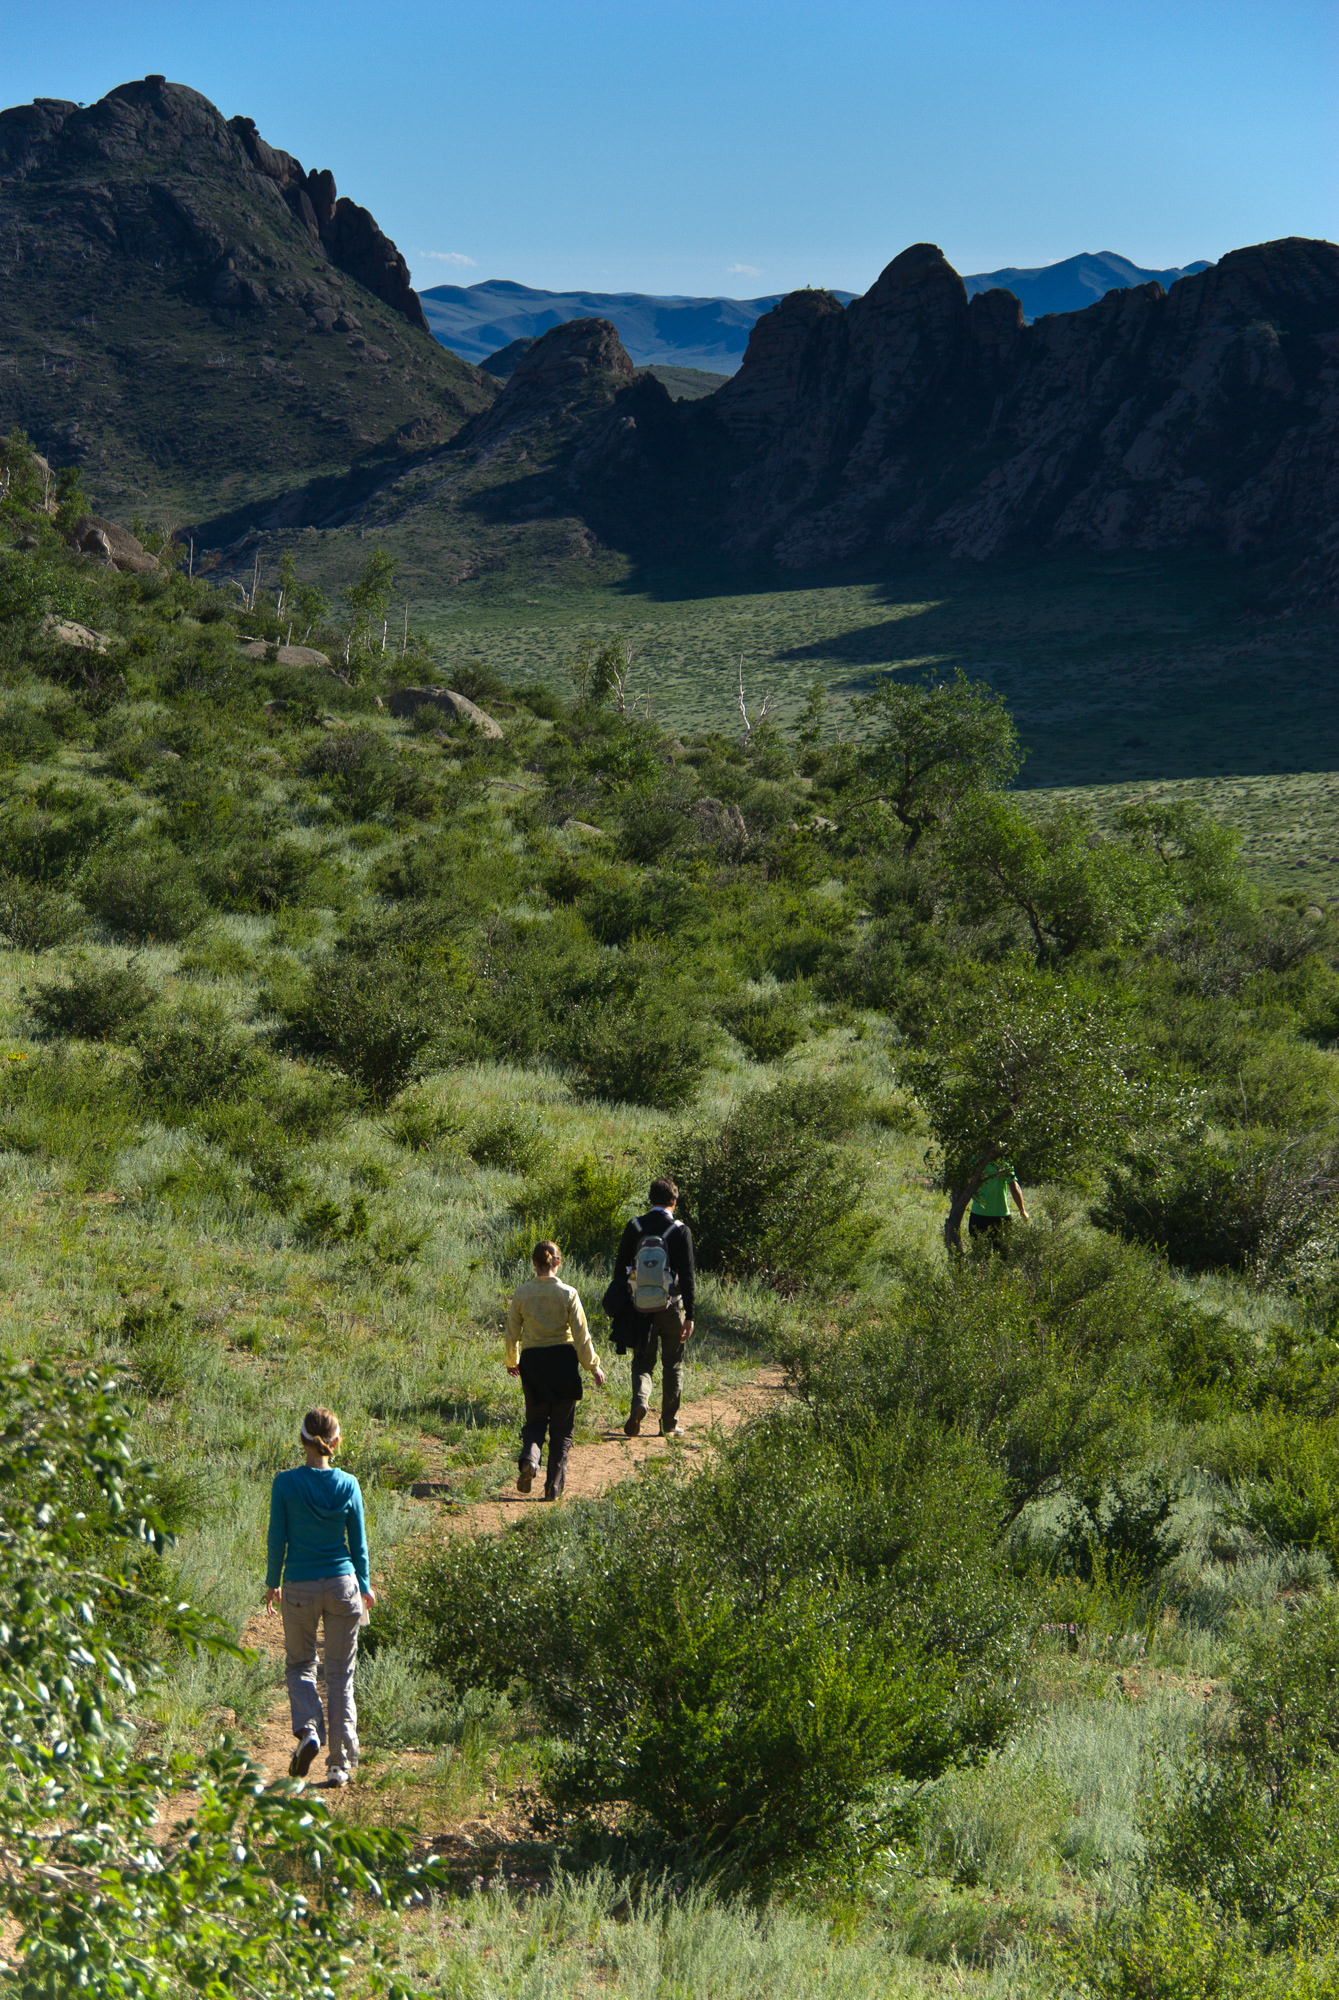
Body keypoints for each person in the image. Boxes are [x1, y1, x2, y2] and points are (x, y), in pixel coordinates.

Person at [265, 1406, 372, 1787]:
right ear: (335, 1442)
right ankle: (338, 1765)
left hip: (299, 1585)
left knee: (300, 1666)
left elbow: (277, 1538)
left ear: (302, 1440)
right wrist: (365, 1585)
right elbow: (358, 1543)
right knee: (340, 1676)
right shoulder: (348, 1484)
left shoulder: (285, 1483)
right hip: (343, 1585)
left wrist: (272, 1582)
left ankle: (309, 1730)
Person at [506, 1241, 605, 1501]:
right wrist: (593, 1366)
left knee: (535, 1421)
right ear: (558, 1262)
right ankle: (553, 1489)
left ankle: (530, 1459)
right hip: (563, 1362)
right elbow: (582, 1337)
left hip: (533, 1363)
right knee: (562, 1429)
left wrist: (511, 1360)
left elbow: (512, 1332)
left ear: (533, 1263)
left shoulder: (522, 1293)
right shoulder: (568, 1294)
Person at [609, 1176, 695, 1439]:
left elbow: (620, 1271)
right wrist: (690, 1316)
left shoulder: (634, 1226)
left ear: (650, 1200)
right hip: (672, 1308)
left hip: (640, 1309)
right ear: (674, 1201)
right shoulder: (681, 1230)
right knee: (673, 1365)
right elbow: (688, 1277)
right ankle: (668, 1424)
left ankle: (640, 1402)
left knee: (643, 1362)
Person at [968, 1155, 1030, 1249]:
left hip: (978, 1214)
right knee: (1003, 1253)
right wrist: (1022, 1210)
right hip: (1000, 1215)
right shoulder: (1003, 1163)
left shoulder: (974, 1160)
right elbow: (1014, 1188)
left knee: (979, 1251)